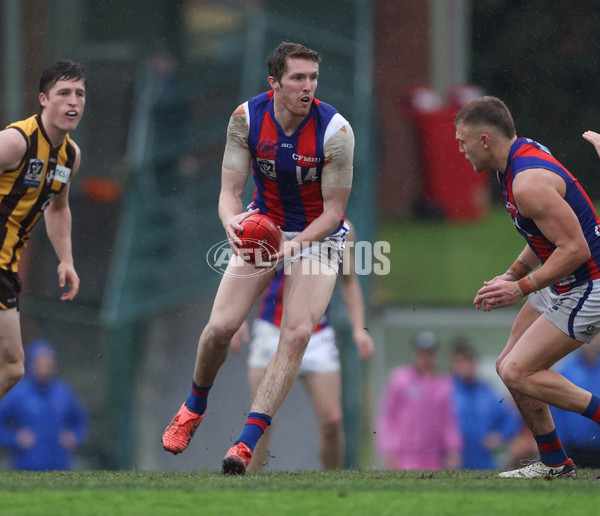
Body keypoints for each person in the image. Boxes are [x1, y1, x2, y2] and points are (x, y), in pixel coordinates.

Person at [161, 41, 354, 475]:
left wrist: (295, 244)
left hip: (316, 236)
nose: (308, 87)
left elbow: (334, 214)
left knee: (299, 333)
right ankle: (193, 407)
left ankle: (246, 442)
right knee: (219, 329)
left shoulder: (335, 131)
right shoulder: (245, 119)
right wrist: (231, 222)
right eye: (298, 78)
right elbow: (229, 195)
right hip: (264, 225)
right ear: (274, 82)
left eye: (313, 78)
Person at [454, 96, 600, 479]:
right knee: (507, 366)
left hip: (590, 283)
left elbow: (575, 249)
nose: (460, 149)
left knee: (519, 371)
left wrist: (519, 288)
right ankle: (555, 464)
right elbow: (541, 236)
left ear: (485, 140)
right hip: (565, 278)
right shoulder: (514, 163)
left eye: (462, 141)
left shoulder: (526, 182)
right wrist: (512, 272)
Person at [230, 220, 374, 470]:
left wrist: (360, 329)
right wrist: (235, 317)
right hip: (271, 332)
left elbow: (349, 282)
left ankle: (333, 490)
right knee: (262, 421)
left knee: (332, 420)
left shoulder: (342, 229)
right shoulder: (269, 221)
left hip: (316, 336)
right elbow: (249, 274)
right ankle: (248, 489)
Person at [0, 61, 85, 403]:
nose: (73, 102)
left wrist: (66, 259)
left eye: (79, 94)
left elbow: (59, 208)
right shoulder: (16, 142)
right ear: (43, 100)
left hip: (5, 268)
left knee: (12, 369)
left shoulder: (69, 156)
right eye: (63, 93)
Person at [375, 330, 462, 470]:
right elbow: (388, 417)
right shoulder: (400, 379)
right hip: (404, 456)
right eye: (422, 353)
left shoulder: (442, 385)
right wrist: (389, 449)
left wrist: (453, 449)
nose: (425, 358)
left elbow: (448, 421)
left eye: (430, 353)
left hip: (433, 457)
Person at [0, 339, 88, 470]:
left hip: (60, 467)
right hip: (25, 466)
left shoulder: (64, 393)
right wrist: (14, 439)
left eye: (48, 362)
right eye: (41, 362)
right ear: (31, 364)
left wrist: (74, 436)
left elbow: (81, 421)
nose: (45, 367)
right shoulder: (18, 394)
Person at [450, 338, 521, 470]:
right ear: (455, 364)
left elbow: (511, 418)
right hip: (452, 460)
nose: (466, 366)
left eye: (469, 361)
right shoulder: (446, 391)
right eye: (461, 362)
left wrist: (500, 436)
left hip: (483, 460)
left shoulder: (487, 392)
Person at [549, 335, 600, 468]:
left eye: (597, 337)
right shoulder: (567, 369)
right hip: (574, 446)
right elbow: (557, 408)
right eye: (591, 337)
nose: (593, 342)